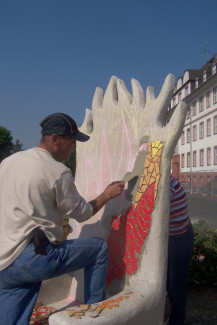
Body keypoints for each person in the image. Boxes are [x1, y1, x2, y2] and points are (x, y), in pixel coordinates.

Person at [0, 112, 125, 325]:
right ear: (55, 139)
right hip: (31, 257)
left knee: (13, 312)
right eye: (72, 141)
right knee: (98, 249)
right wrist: (106, 195)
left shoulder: (9, 162)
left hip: (4, 259)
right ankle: (96, 315)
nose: (74, 147)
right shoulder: (57, 171)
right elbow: (83, 212)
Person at [166, 175, 194, 325]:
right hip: (174, 237)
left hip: (180, 238)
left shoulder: (166, 184)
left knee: (176, 286)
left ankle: (177, 321)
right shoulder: (165, 180)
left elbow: (156, 209)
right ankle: (176, 317)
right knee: (169, 284)